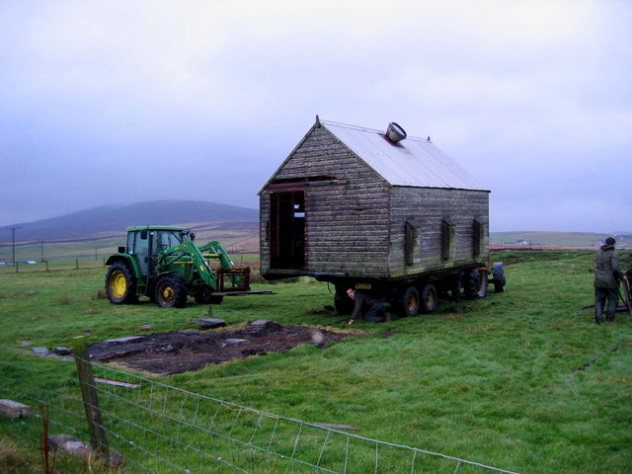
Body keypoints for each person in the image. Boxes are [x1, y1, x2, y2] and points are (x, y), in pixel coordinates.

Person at [594, 237, 623, 324]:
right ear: (613, 244)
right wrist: (622, 277)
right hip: (611, 281)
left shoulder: (599, 253)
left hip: (598, 280)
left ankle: (598, 319)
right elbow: (616, 268)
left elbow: (596, 265)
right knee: (613, 299)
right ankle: (610, 318)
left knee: (599, 300)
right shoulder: (613, 254)